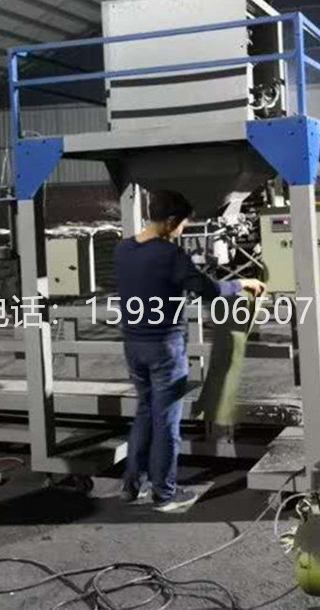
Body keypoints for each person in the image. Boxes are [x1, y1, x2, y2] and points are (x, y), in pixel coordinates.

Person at [113, 189, 266, 512]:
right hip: (165, 349)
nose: (183, 229)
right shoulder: (170, 255)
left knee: (145, 413)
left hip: (133, 345)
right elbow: (209, 290)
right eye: (182, 223)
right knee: (166, 422)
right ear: (170, 221)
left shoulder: (123, 249)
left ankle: (131, 486)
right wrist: (244, 284)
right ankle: (164, 494)